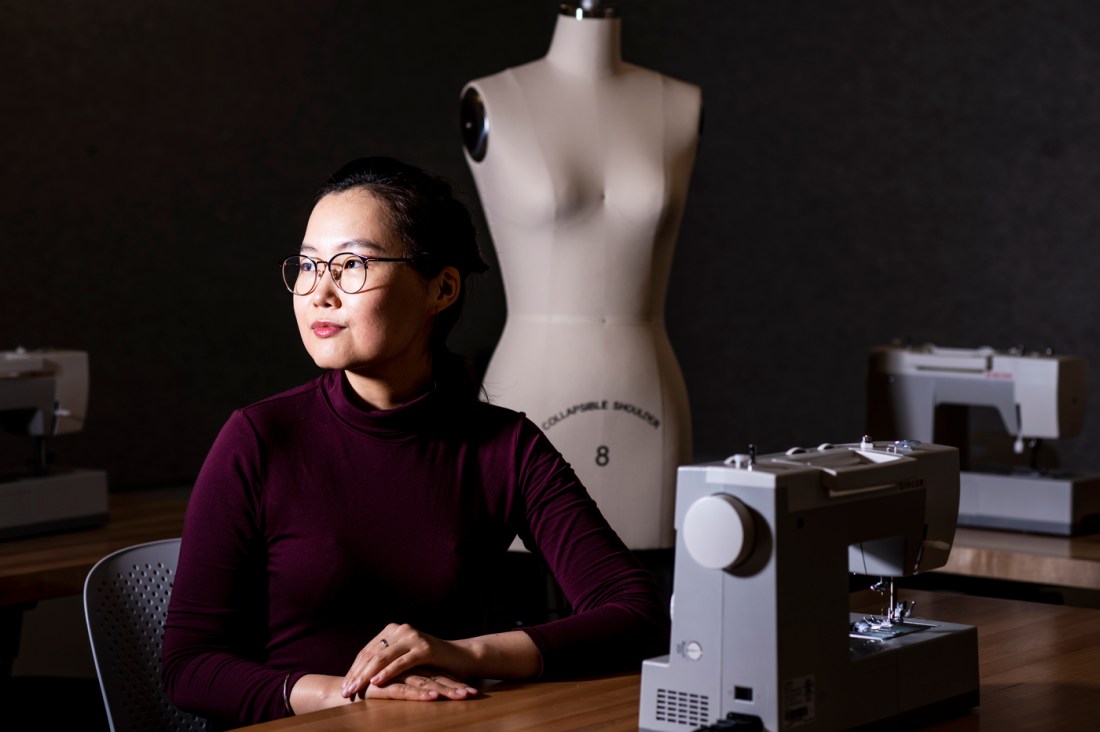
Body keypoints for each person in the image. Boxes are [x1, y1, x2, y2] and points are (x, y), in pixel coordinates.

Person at [161, 156, 670, 728]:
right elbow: (189, 667)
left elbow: (637, 614)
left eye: (351, 264)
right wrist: (349, 694)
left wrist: (466, 653)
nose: (319, 292)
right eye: (307, 266)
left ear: (441, 289)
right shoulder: (259, 438)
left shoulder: (506, 446)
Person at [460, 0, 702, 553]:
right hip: (535, 384)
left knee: (647, 607)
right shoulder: (494, 98)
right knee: (523, 599)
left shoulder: (679, 103)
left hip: (647, 388)